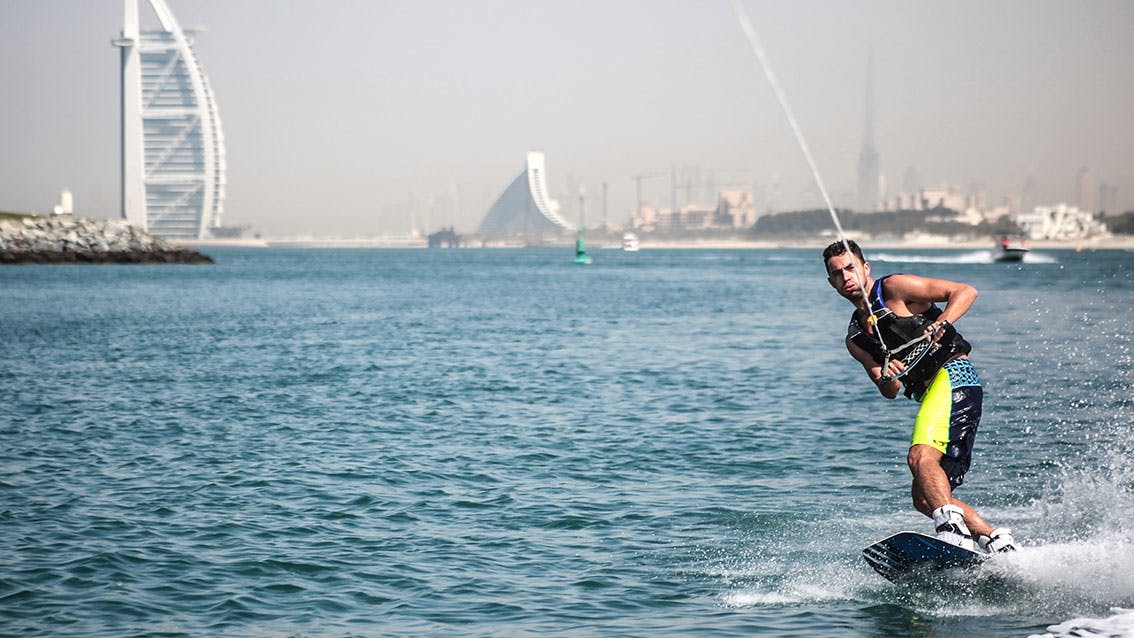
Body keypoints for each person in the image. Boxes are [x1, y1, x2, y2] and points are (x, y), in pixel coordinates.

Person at [822, 239, 1016, 553]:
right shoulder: (856, 338)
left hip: (954, 375)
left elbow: (965, 291)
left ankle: (951, 531)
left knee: (920, 457)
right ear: (831, 283)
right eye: (837, 273)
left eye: (850, 268)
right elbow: (890, 391)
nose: (846, 277)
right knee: (924, 498)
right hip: (933, 393)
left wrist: (943, 322)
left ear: (865, 268)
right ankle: (996, 542)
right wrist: (886, 374)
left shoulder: (895, 289)